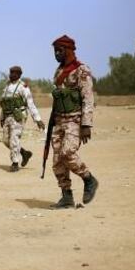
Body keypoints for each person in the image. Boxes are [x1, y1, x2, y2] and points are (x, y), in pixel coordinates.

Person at [49, 35, 99, 208]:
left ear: (68, 50)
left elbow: (88, 98)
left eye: (59, 50)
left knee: (68, 152)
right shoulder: (58, 71)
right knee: (57, 161)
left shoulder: (81, 70)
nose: (56, 54)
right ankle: (66, 195)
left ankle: (89, 179)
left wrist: (86, 124)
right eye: (54, 51)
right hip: (59, 121)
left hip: (75, 120)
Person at [0, 65, 45, 172]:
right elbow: (4, 104)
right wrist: (1, 117)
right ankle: (24, 153)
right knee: (6, 141)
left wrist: (37, 119)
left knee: (14, 139)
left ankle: (15, 163)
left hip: (18, 116)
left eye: (15, 73)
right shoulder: (6, 87)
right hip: (7, 116)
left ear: (19, 75)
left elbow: (30, 104)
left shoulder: (23, 87)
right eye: (11, 72)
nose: (12, 74)